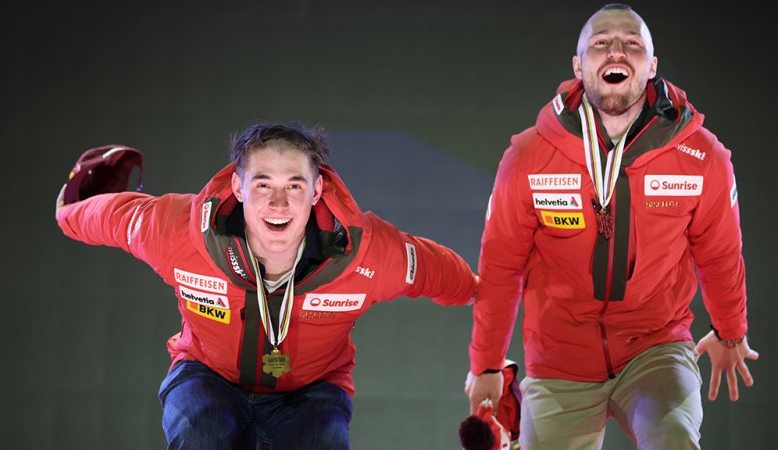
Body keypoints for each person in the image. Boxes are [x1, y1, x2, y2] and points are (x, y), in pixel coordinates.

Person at [56, 122, 477, 449]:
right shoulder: (177, 231)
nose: (279, 203)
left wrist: (487, 299)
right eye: (263, 185)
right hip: (207, 376)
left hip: (312, 391)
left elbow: (451, 277)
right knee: (202, 431)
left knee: (322, 442)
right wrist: (67, 212)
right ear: (238, 188)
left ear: (317, 190)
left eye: (294, 185)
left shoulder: (365, 253)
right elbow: (105, 216)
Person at [464, 4, 759, 449]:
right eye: (601, 43)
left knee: (674, 437)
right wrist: (486, 365)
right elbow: (501, 268)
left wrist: (731, 331)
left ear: (652, 65)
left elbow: (719, 255)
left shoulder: (702, 157)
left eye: (632, 44)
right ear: (578, 65)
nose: (616, 51)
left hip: (655, 348)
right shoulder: (527, 157)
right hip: (559, 360)